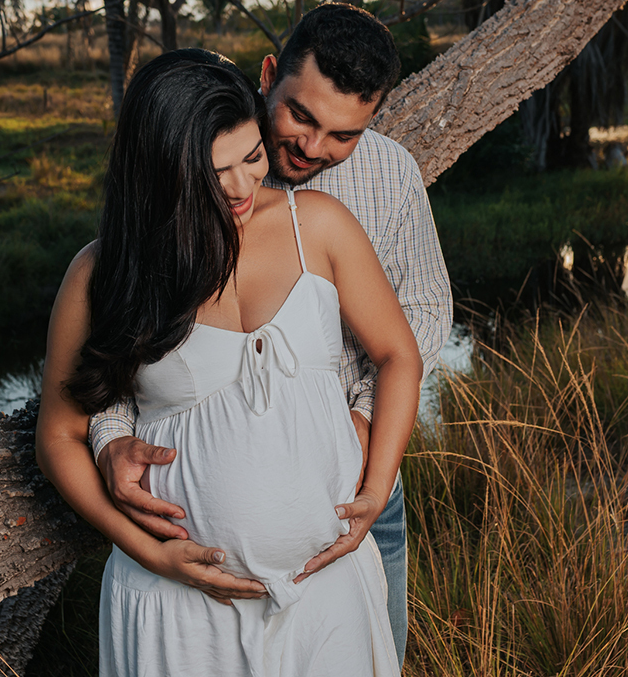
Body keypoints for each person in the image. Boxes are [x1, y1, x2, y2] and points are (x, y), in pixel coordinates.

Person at [36, 50, 422, 675]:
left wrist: (376, 488)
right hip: (178, 609)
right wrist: (146, 552)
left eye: (253, 157)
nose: (244, 187)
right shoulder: (103, 273)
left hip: (325, 594)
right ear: (164, 170)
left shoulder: (317, 226)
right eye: (218, 173)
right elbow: (57, 435)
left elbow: (398, 353)